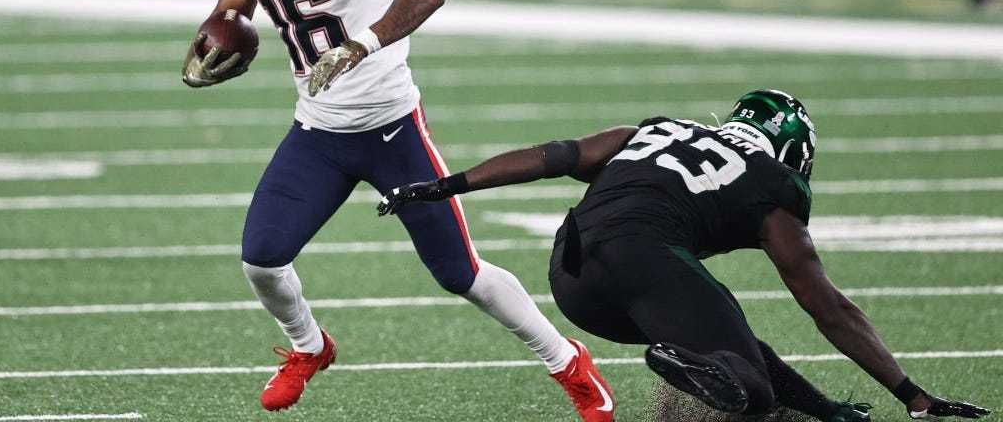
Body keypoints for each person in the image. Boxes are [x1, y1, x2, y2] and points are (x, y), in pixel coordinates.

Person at [180, 0, 615, 419]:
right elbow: (235, 2)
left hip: (391, 129)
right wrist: (219, 37)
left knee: (460, 273)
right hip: (318, 132)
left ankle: (566, 361)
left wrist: (362, 44)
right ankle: (310, 346)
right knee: (261, 260)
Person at [379, 89, 992, 421]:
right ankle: (683, 359)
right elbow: (827, 307)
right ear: (790, 151)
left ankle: (799, 401)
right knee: (750, 393)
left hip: (570, 271)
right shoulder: (773, 186)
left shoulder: (657, 128)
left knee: (729, 340)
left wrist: (446, 185)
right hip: (644, 264)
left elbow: (552, 157)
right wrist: (910, 393)